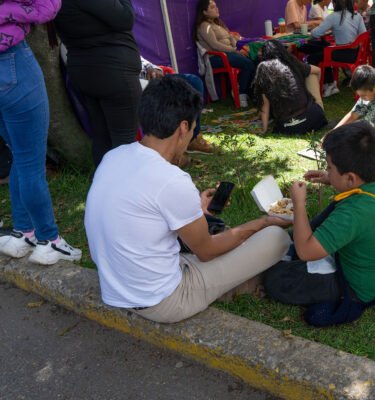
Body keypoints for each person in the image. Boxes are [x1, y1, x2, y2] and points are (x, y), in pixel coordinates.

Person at [84, 76, 291, 324]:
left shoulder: (114, 157)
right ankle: (235, 284)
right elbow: (206, 251)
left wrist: (198, 211)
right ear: (183, 127)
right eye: (194, 128)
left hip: (116, 289)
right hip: (163, 301)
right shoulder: (171, 179)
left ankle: (233, 282)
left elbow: (145, 219)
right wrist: (263, 223)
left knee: (221, 242)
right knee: (276, 239)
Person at [264, 122, 375, 309]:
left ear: (351, 178)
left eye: (330, 168)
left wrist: (299, 204)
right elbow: (350, 202)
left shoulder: (354, 212)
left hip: (362, 290)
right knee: (334, 207)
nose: (328, 170)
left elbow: (306, 253)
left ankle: (289, 251)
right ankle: (292, 244)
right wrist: (330, 177)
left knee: (276, 279)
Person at [0, 0, 82, 265]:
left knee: (18, 156)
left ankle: (23, 233)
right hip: (13, 60)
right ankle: (49, 240)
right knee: (30, 161)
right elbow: (48, 6)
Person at [54, 0, 142, 167]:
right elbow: (125, 18)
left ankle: (103, 187)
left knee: (102, 138)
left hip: (88, 70)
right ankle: (121, 190)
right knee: (124, 142)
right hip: (112, 71)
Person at [139, 57, 214, 154]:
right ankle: (165, 148)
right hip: (133, 83)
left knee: (193, 82)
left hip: (151, 79)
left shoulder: (128, 47)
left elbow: (140, 59)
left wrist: (153, 69)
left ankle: (191, 138)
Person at [253, 40, 328, 135]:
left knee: (309, 72)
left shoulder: (263, 70)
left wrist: (263, 129)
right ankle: (319, 107)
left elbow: (265, 105)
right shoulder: (291, 62)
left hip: (288, 127)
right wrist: (315, 97)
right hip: (314, 119)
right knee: (311, 74)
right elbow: (318, 70)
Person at [195, 0, 256, 108]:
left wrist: (238, 47)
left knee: (251, 59)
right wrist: (234, 50)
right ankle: (240, 93)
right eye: (212, 7)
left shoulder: (219, 24)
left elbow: (230, 37)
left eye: (216, 6)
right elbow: (214, 45)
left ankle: (243, 90)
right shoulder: (204, 26)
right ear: (204, 12)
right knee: (246, 63)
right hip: (216, 57)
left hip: (228, 54)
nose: (216, 8)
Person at [308, 0, 367, 97]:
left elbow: (315, 33)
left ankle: (323, 86)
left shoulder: (334, 16)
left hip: (342, 53)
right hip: (356, 53)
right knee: (324, 51)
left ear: (335, 4)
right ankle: (330, 83)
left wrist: (311, 28)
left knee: (313, 58)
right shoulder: (357, 16)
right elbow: (363, 35)